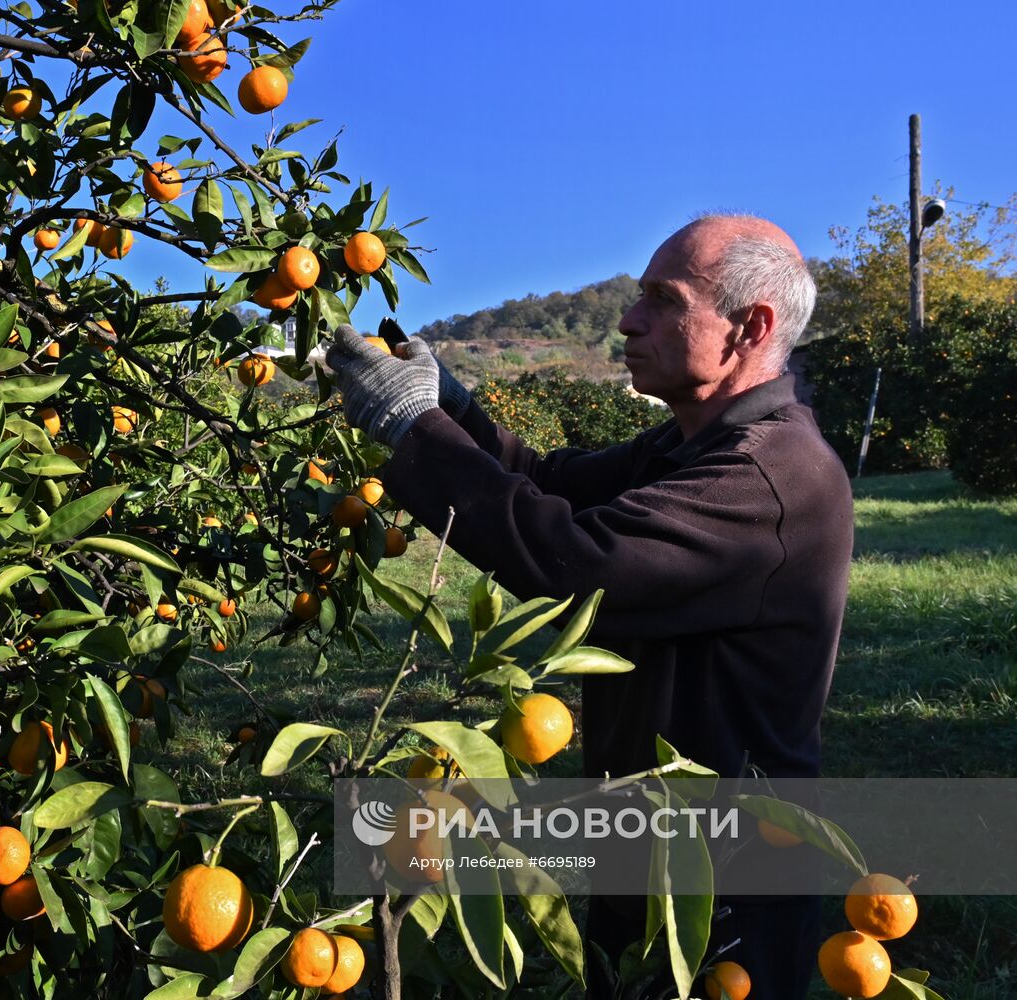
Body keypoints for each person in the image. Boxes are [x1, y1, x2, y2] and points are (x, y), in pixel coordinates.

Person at [326, 214, 854, 1000]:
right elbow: (547, 481)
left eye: (661, 301)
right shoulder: (689, 444)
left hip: (728, 869)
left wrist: (412, 426)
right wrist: (449, 402)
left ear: (751, 326)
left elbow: (577, 562)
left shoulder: (770, 475)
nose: (627, 320)